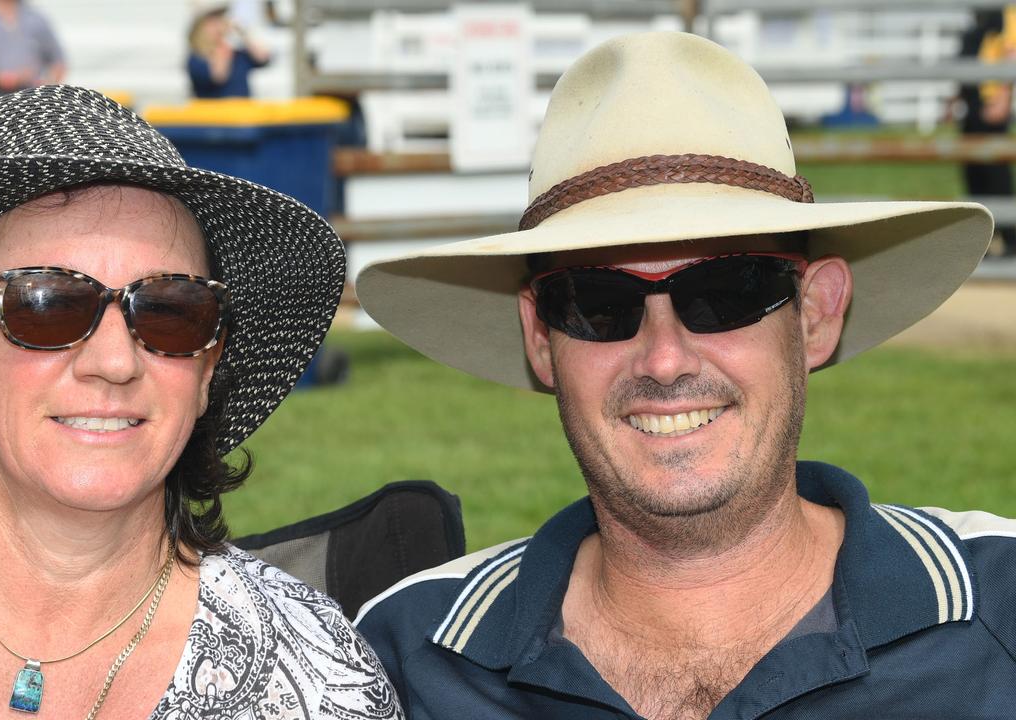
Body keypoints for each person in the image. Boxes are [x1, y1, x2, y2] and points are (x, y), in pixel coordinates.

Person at [355, 32, 1014, 719]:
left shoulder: (1003, 605)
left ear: (816, 314)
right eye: (597, 304)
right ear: (540, 338)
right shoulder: (403, 663)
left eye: (727, 291)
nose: (664, 358)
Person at [0, 85, 400, 719]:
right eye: (47, 305)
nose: (114, 362)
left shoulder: (320, 680)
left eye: (170, 311)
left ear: (205, 369)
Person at [958, 7, 1016, 256]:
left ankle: (1011, 239)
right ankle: (985, 240)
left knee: (996, 175)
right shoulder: (977, 18)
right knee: (975, 175)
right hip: (972, 105)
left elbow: (1011, 52)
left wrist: (1004, 97)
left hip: (991, 103)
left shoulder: (1005, 13)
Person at [186, 1, 271, 99]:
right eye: (212, 22)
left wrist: (242, 31)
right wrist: (221, 46)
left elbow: (264, 57)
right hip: (213, 113)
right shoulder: (196, 58)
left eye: (220, 19)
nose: (218, 25)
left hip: (243, 112)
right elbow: (219, 76)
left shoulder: (237, 55)